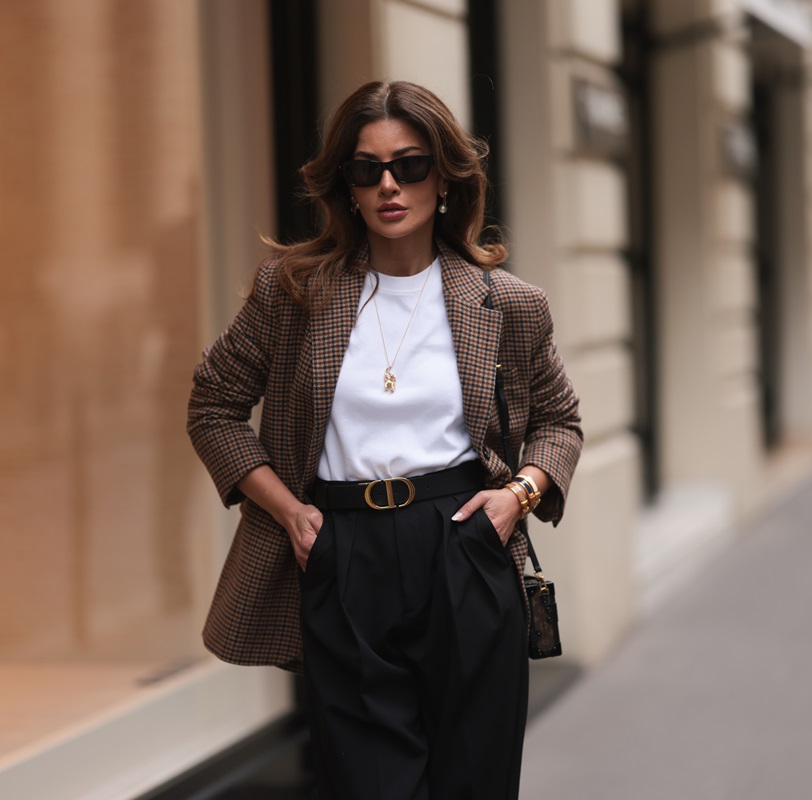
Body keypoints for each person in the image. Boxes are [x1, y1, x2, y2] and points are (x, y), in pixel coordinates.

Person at [188, 80, 582, 798]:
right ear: (347, 186)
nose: (389, 185)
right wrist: (289, 511)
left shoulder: (507, 303)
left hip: (464, 540)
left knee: (475, 783)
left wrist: (518, 496)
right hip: (342, 550)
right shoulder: (294, 292)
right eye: (367, 169)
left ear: (447, 177)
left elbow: (560, 422)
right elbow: (212, 406)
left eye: (411, 164)